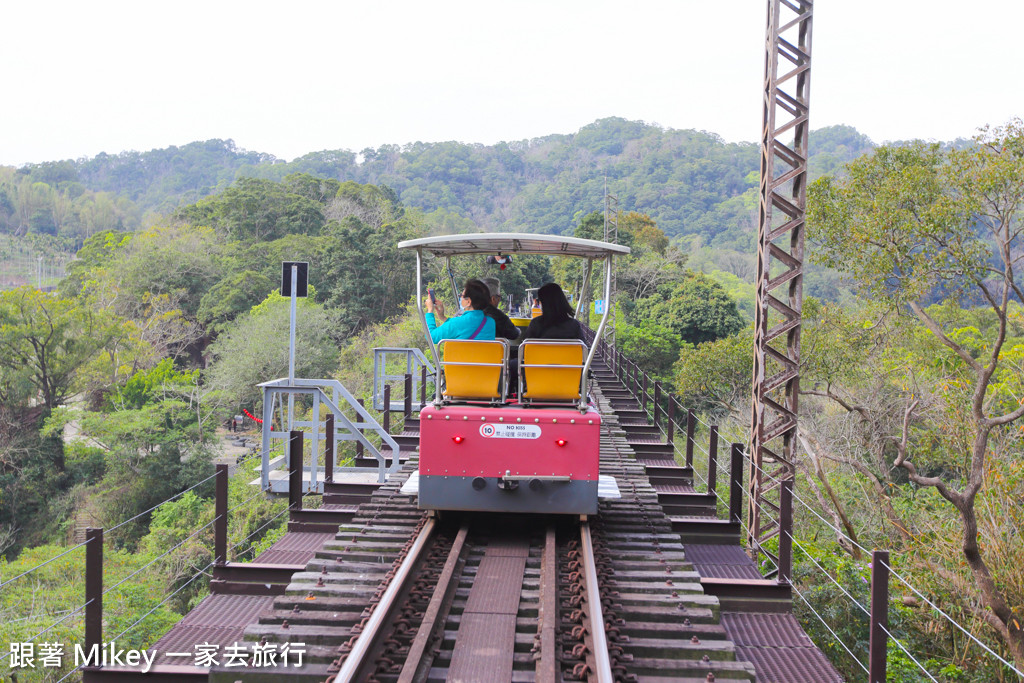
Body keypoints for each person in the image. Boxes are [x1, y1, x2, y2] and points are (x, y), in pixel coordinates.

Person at [424, 279, 496, 343]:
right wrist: (442, 317)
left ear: (468, 302)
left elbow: (431, 337)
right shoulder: (491, 322)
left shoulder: (457, 323)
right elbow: (465, 327)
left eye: (461, 295)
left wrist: (430, 311)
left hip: (460, 358)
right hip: (482, 358)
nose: (460, 297)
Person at [520, 282, 585, 341]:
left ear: (543, 303)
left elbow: (525, 349)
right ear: (563, 301)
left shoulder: (535, 325)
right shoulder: (574, 326)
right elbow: (583, 350)